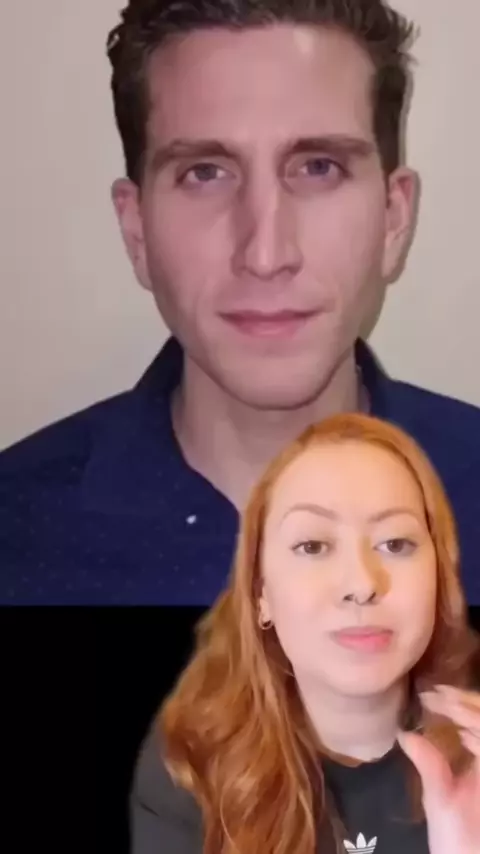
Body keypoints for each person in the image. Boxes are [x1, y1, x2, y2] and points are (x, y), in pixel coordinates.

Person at [1, 0, 480, 605]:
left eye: (319, 167)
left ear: (393, 218)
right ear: (137, 231)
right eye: (205, 173)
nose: (265, 254)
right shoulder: (17, 534)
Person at [130, 413, 480, 854]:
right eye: (313, 546)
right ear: (261, 593)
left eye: (395, 544)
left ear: (440, 578)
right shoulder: (188, 764)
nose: (362, 584)